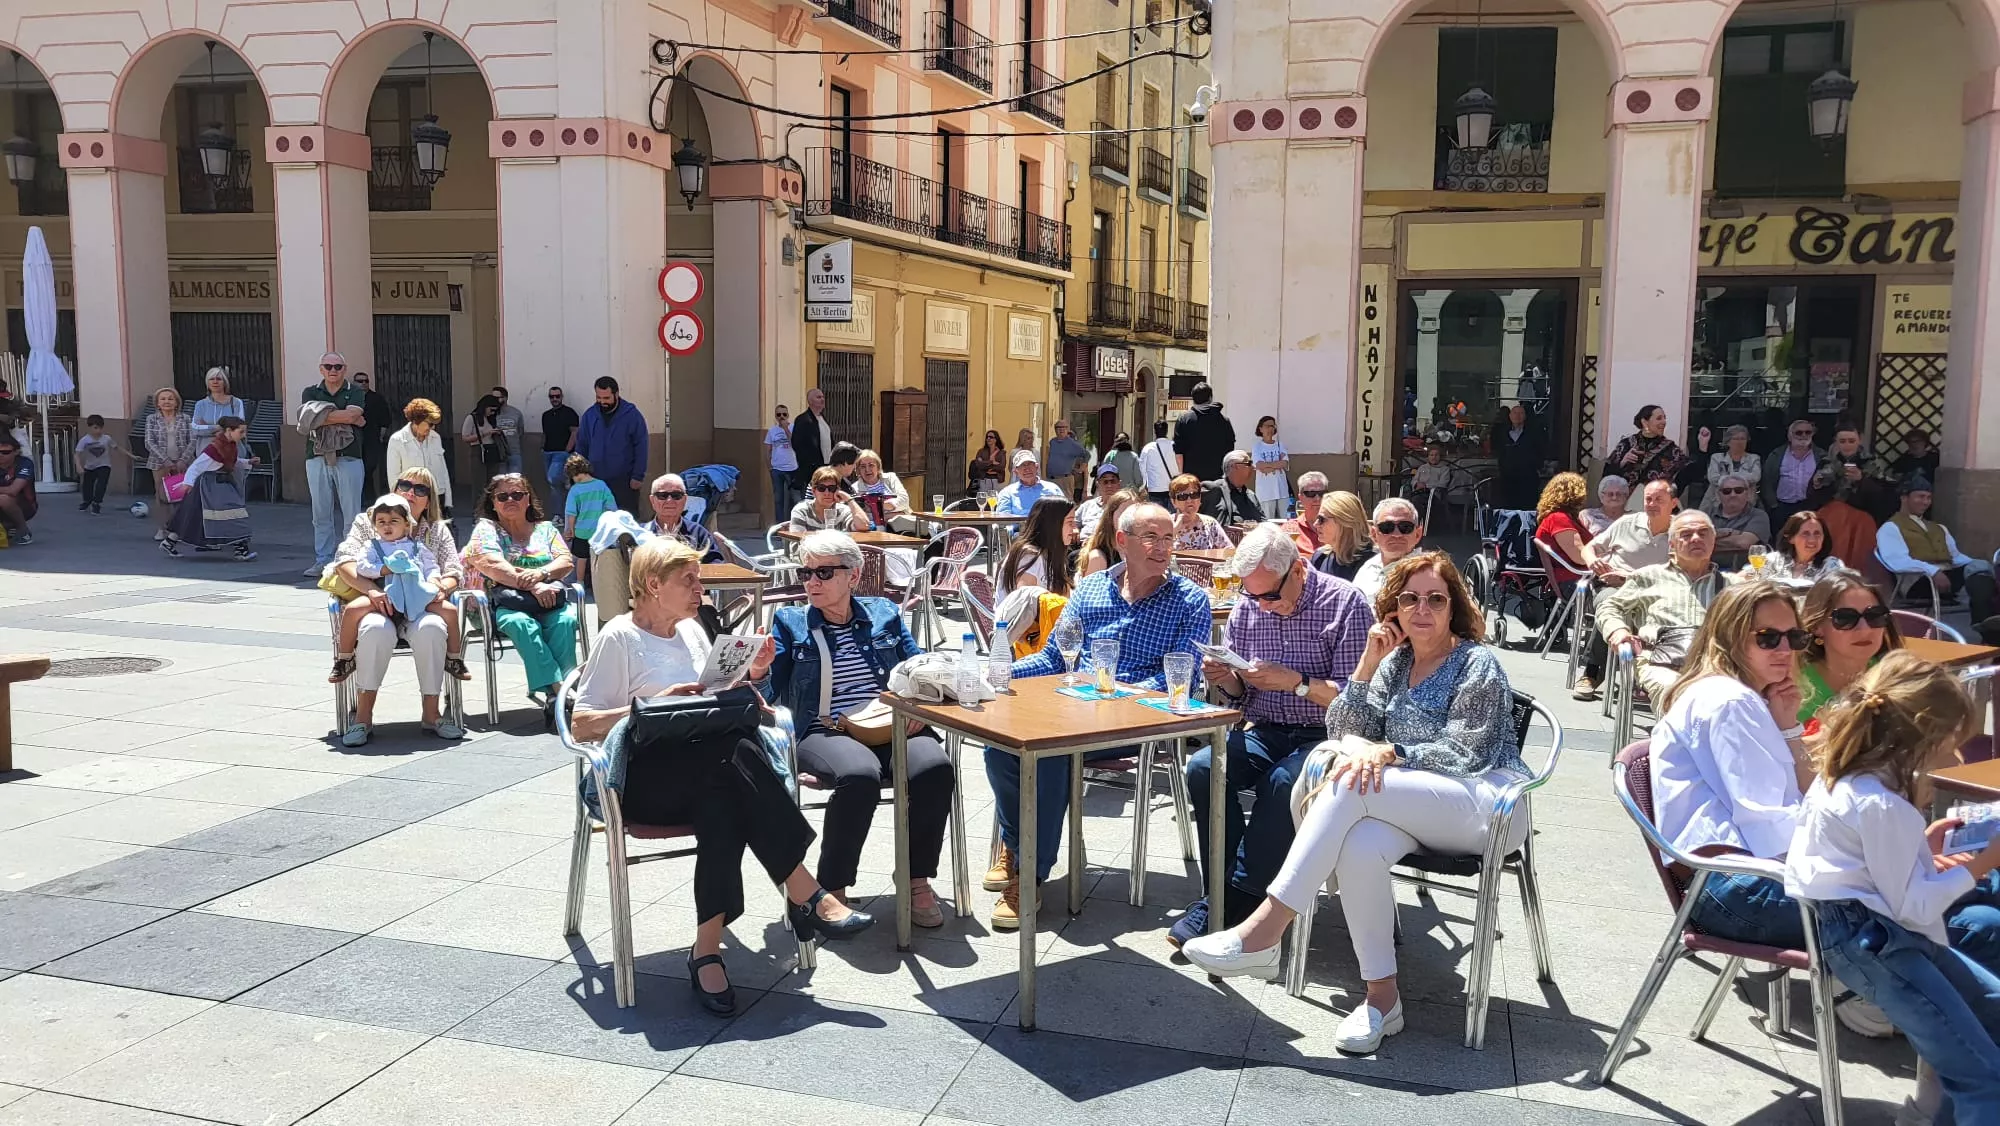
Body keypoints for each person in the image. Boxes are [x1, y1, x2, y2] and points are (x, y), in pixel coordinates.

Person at [1181, 551, 1523, 1053]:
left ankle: (1264, 931)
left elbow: (1467, 749)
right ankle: (1383, 1000)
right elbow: (1344, 729)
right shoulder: (1397, 662)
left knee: (1349, 780)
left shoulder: (1476, 662)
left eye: (1435, 599)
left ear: (1454, 607)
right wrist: (1367, 664)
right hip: (1409, 803)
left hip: (1486, 801)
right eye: (1410, 599)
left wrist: (1392, 750)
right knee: (1360, 844)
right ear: (1394, 609)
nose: (1422, 609)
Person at [1649, 580, 2000, 1043]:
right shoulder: (1730, 702)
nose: (1784, 650)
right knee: (1979, 922)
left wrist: (1789, 726)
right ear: (1728, 635)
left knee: (1975, 902)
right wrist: (1886, 853)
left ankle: (1944, 1057)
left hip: (1740, 882)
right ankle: (1930, 1040)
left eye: (1793, 638)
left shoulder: (1741, 697)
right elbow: (1772, 829)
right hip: (1741, 890)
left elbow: (1796, 802)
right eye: (1766, 637)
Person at [572, 538, 874, 1014]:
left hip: (705, 773)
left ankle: (708, 950)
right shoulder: (620, 636)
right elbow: (581, 723)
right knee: (731, 772)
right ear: (653, 584)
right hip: (641, 780)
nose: (700, 588)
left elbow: (713, 698)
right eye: (688, 580)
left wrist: (751, 675)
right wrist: (651, 705)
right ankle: (804, 893)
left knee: (725, 788)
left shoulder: (693, 630)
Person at [1785, 653, 2000, 1123]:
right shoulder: (1884, 805)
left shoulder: (1842, 781)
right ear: (1922, 738)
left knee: (1986, 1028)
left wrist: (1921, 848)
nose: (1956, 755)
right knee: (1983, 1079)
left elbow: (1868, 870)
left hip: (1864, 935)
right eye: (1951, 742)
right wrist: (1984, 863)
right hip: (1882, 946)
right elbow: (1913, 905)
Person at [989, 503, 1214, 929]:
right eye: (1151, 537)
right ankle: (1017, 843)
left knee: (1049, 751)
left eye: (1168, 538)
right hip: (1074, 707)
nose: (1162, 547)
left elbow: (1179, 678)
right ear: (1122, 541)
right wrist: (997, 674)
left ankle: (1028, 874)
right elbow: (1056, 658)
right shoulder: (1091, 589)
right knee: (999, 739)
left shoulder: (1190, 600)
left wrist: (1111, 694)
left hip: (1138, 717)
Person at [1172, 525, 1374, 945]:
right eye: (1252, 595)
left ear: (1299, 570)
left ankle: (1231, 899)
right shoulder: (1248, 608)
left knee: (1286, 782)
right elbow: (1241, 698)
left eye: (1269, 596)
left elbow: (1359, 700)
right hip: (1266, 727)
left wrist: (1298, 682)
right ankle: (1226, 894)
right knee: (1205, 767)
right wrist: (1226, 678)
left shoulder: (1345, 603)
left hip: (1329, 734)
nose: (1261, 607)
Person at [760, 530, 956, 927]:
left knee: (935, 768)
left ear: (854, 575)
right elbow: (767, 693)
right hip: (824, 728)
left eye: (824, 572)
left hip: (890, 720)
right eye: (806, 572)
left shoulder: (884, 612)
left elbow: (916, 667)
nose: (811, 582)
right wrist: (758, 668)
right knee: (859, 775)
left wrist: (918, 703)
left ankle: (916, 878)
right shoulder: (790, 622)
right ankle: (831, 889)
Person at [331, 471, 469, 746]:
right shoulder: (369, 522)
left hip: (421, 605)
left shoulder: (436, 530)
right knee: (373, 630)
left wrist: (438, 588)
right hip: (378, 603)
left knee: (432, 628)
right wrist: (372, 590)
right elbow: (345, 561)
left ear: (429, 500)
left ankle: (432, 714)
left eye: (420, 489)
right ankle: (363, 717)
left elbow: (454, 571)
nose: (411, 492)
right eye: (404, 485)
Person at [463, 473, 581, 705]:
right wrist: (535, 586)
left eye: (517, 494)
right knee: (521, 624)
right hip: (501, 604)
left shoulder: (545, 529)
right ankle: (560, 689)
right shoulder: (486, 529)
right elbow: (492, 565)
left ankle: (558, 693)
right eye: (502, 496)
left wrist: (541, 574)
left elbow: (565, 561)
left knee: (566, 620)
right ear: (493, 503)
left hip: (547, 601)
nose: (510, 500)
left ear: (528, 499)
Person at [1597, 509, 1725, 701]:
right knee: (1674, 691)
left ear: (1713, 541)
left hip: (1714, 663)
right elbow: (1610, 606)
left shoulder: (1730, 586)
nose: (1696, 538)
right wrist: (1617, 631)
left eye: (1703, 533)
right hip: (1660, 661)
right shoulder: (1649, 576)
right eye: (1686, 535)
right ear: (1671, 544)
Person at [591, 472, 725, 621]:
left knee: (707, 620)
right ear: (652, 501)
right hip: (650, 602)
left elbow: (717, 564)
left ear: (685, 500)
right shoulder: (638, 535)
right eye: (662, 496)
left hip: (690, 599)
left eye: (676, 495)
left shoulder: (698, 532)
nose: (669, 500)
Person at [1879, 476, 2000, 640]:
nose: (1925, 502)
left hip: (1947, 576)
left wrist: (1980, 565)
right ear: (1904, 498)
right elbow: (1898, 562)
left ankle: (1988, 626)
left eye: (1928, 498)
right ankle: (1986, 624)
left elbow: (1956, 558)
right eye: (1920, 496)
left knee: (1983, 568)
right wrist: (1933, 571)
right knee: (1980, 575)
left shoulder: (1938, 528)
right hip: (1918, 580)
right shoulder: (1890, 528)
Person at [1796, 569, 1900, 723]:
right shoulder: (1794, 688)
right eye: (1846, 618)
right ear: (1817, 626)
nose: (1864, 629)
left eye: (1874, 616)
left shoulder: (1894, 679)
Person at [301, 354, 367, 576]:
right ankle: (323, 560)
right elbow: (308, 418)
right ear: (321, 369)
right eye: (328, 366)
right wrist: (346, 416)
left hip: (349, 457)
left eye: (338, 366)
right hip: (317, 457)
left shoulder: (355, 390)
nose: (333, 370)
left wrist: (322, 415)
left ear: (344, 368)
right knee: (320, 513)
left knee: (352, 514)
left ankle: (350, 561)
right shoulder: (310, 392)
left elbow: (353, 415)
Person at [161, 414, 257, 560]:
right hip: (209, 486)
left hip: (222, 484)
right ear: (229, 431)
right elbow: (195, 467)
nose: (243, 435)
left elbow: (233, 461)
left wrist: (248, 462)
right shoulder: (214, 449)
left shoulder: (230, 446)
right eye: (241, 432)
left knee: (199, 516)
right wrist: (188, 483)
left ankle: (169, 542)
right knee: (231, 513)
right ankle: (240, 550)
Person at [576, 375, 648, 515]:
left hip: (624, 481)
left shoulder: (632, 415)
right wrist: (580, 474)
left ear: (616, 394)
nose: (602, 402)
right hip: (595, 479)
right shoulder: (589, 416)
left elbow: (641, 446)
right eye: (599, 398)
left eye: (606, 398)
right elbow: (581, 445)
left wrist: (638, 476)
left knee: (625, 523)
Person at [1588, 478, 1676, 579]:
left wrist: (1629, 578)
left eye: (1658, 499)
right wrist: (1593, 561)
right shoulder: (1626, 523)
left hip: (1655, 589)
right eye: (1648, 499)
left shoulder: (1683, 532)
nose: (1652, 504)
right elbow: (1589, 548)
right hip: (1614, 587)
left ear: (1673, 503)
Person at [145, 385, 197, 547]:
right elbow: (149, 442)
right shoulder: (151, 419)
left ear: (176, 402)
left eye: (170, 398)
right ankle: (163, 528)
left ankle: (182, 528)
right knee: (162, 496)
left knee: (184, 496)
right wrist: (166, 460)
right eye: (163, 399)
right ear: (157, 403)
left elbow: (193, 440)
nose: (167, 401)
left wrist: (183, 460)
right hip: (159, 463)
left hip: (184, 462)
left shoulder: (186, 418)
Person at [385, 398, 454, 518]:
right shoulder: (398, 440)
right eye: (430, 424)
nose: (432, 428)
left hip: (436, 497)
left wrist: (448, 501)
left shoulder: (435, 438)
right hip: (411, 498)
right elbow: (393, 476)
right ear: (417, 421)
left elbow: (443, 470)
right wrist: (396, 505)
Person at [999, 497, 1076, 600]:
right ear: (1053, 525)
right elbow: (1025, 603)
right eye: (1070, 522)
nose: (1075, 528)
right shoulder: (1029, 556)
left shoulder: (1052, 554)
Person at [561, 454, 617, 590]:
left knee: (581, 558)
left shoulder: (575, 490)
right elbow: (611, 506)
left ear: (573, 475)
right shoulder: (601, 485)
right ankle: (599, 583)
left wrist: (570, 530)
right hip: (599, 531)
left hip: (581, 531)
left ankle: (580, 583)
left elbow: (571, 513)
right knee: (599, 556)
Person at [1350, 497, 1423, 599]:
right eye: (1387, 527)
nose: (1396, 534)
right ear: (1374, 534)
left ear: (1418, 534)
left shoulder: (1427, 573)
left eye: (1405, 527)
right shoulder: (1368, 567)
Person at [1761, 418, 1825, 530]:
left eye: (1808, 432)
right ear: (1790, 436)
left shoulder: (1821, 455)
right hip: (1782, 507)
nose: (1803, 435)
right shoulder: (1776, 455)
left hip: (1811, 507)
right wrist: (1773, 506)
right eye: (1799, 432)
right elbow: (1767, 481)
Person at [1605, 404, 1688, 485]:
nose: (1664, 422)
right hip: (1626, 497)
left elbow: (1685, 473)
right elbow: (1607, 476)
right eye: (1659, 418)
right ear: (1644, 422)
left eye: (1664, 418)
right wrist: (1622, 462)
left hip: (1655, 497)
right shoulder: (1626, 444)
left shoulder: (1671, 449)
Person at [1174, 381, 1236, 481]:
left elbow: (1179, 451)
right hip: (1218, 478)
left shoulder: (1184, 419)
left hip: (1191, 478)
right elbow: (1230, 450)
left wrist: (1181, 475)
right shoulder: (1223, 420)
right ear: (1210, 397)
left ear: (1193, 399)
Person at [1309, 490, 1374, 582]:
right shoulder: (1320, 557)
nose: (1316, 524)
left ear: (1344, 521)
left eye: (1321, 519)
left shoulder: (1373, 562)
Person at [1076, 487, 1139, 580]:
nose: (1130, 520)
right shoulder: (1098, 558)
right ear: (1110, 516)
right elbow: (1092, 593)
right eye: (1125, 513)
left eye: (1136, 514)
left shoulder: (1137, 550)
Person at [1766, 510, 1845, 585]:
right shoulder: (1773, 560)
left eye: (1817, 533)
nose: (1812, 539)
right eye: (1805, 533)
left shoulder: (1832, 565)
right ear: (1791, 538)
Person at [1492, 402, 1544, 510]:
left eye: (1521, 413)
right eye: (1515, 413)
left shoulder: (1533, 433)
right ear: (1510, 416)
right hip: (1507, 477)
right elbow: (1496, 449)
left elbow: (1540, 450)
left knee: (1527, 507)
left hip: (1528, 478)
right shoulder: (1502, 432)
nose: (1517, 416)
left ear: (1525, 416)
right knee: (1507, 506)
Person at [1700, 425, 1761, 515]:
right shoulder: (1716, 457)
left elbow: (1755, 477)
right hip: (1715, 503)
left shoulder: (1754, 458)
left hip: (1746, 505)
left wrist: (1726, 479)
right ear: (1728, 442)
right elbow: (1713, 477)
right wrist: (1740, 480)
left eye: (1743, 439)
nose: (1740, 442)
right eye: (1736, 439)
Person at [72, 414, 127, 516]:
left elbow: (117, 447)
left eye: (100, 428)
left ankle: (96, 503)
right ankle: (87, 501)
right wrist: (78, 466)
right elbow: (77, 454)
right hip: (90, 466)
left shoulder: (106, 438)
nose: (98, 431)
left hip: (104, 465)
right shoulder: (85, 440)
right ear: (89, 428)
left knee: (101, 485)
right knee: (87, 486)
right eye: (95, 428)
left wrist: (131, 456)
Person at [1709, 473, 1772, 558]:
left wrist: (1713, 538)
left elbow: (1744, 543)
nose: (1733, 495)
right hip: (1710, 566)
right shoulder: (1706, 515)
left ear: (1748, 493)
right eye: (1727, 491)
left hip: (1747, 567)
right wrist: (1735, 534)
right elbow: (1697, 541)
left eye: (1738, 490)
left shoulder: (1759, 515)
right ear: (1719, 495)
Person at [790, 466, 870, 533]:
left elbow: (864, 526)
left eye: (832, 488)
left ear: (837, 490)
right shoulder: (802, 510)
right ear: (814, 491)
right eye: (821, 488)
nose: (827, 493)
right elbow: (797, 542)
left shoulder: (842, 510)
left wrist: (849, 499)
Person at [353, 372, 395, 495]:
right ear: (354, 383)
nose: (364, 383)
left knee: (369, 467)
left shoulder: (376, 398)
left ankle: (370, 496)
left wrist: (381, 436)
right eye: (360, 381)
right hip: (354, 439)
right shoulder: (351, 398)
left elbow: (385, 419)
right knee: (357, 469)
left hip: (372, 438)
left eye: (366, 381)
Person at [189, 366, 245, 457]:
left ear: (225, 382)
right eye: (211, 379)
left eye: (219, 379)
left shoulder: (236, 402)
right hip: (207, 453)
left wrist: (207, 427)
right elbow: (195, 429)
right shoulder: (200, 404)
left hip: (231, 454)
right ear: (208, 383)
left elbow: (239, 428)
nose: (215, 382)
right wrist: (220, 428)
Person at [1168, 473, 1232, 551]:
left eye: (1194, 495)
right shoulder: (1165, 523)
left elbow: (1229, 551)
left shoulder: (1210, 523)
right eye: (1182, 496)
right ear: (1173, 502)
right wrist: (1175, 529)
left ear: (1200, 498)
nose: (1189, 500)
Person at [541, 386, 580, 512]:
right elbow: (545, 434)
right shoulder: (546, 415)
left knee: (552, 479)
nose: (555, 399)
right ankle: (560, 514)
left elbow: (575, 433)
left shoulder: (569, 413)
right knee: (554, 485)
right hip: (548, 453)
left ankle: (561, 514)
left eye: (557, 396)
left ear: (562, 397)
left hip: (562, 453)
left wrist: (567, 450)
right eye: (552, 397)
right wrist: (542, 448)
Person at [850, 448, 909, 528]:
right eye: (863, 466)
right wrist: (892, 514)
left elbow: (905, 501)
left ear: (878, 467)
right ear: (858, 470)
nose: (867, 470)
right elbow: (865, 516)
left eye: (871, 465)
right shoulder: (855, 488)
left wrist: (875, 506)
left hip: (902, 526)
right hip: (876, 529)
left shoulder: (890, 478)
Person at [791, 387, 834, 495]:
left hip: (826, 466)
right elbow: (797, 445)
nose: (822, 399)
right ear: (810, 401)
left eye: (823, 397)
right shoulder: (803, 420)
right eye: (818, 397)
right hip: (811, 471)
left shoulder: (822, 418)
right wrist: (811, 464)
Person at [1203, 450, 1263, 526]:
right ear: (1234, 466)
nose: (1253, 467)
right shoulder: (1214, 490)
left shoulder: (1251, 496)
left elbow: (1263, 522)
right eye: (1249, 463)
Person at [995, 449, 1064, 516]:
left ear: (1036, 467)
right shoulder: (1007, 493)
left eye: (1030, 464)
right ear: (1016, 472)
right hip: (1019, 527)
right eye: (1022, 465)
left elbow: (1064, 513)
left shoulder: (1053, 489)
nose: (1027, 469)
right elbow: (1002, 520)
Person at [462, 395, 509, 483]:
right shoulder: (471, 418)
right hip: (478, 449)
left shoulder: (491, 419)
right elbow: (465, 438)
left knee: (492, 481)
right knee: (479, 481)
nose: (492, 413)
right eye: (491, 410)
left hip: (493, 449)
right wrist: (485, 433)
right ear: (485, 407)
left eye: (495, 411)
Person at [1251, 415, 1290, 518]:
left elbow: (1285, 463)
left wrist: (1268, 467)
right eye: (1267, 426)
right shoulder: (1257, 447)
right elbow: (1259, 465)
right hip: (1265, 492)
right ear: (1260, 429)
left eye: (1272, 426)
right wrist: (1277, 464)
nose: (1270, 428)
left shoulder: (1279, 445)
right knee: (1267, 521)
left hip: (1281, 490)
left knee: (1286, 520)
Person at [764, 403, 798, 519]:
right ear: (775, 416)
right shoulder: (771, 431)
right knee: (778, 499)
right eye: (779, 414)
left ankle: (792, 523)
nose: (781, 417)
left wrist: (786, 429)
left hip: (792, 468)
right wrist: (770, 467)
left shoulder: (794, 427)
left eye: (784, 414)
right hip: (777, 469)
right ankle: (779, 525)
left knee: (793, 498)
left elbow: (794, 444)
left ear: (788, 415)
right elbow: (767, 450)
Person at [0, 431, 35, 544]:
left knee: (4, 498)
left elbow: (13, 490)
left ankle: (23, 530)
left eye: (5, 452)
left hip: (25, 506)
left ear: (16, 452)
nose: (0, 455)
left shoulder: (24, 463)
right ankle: (7, 527)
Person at [1283, 471, 1330, 553]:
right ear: (1300, 497)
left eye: (1321, 493)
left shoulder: (1337, 525)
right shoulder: (1290, 528)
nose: (1317, 499)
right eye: (1311, 493)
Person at [1074, 464, 1122, 542]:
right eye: (1105, 482)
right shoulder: (1088, 505)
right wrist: (1074, 529)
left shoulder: (1124, 507)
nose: (1109, 485)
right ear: (1097, 484)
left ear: (1119, 484)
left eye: (1113, 481)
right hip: (1083, 547)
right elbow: (1072, 522)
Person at [1045, 419, 1090, 501]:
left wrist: (1081, 469)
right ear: (1055, 429)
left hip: (1065, 480)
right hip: (1050, 479)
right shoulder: (1052, 442)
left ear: (1067, 429)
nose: (1061, 429)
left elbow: (1086, 455)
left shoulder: (1072, 443)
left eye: (1064, 427)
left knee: (1066, 504)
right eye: (1059, 427)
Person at [1139, 418, 1179, 505]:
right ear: (1167, 430)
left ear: (1155, 431)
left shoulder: (1148, 448)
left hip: (1155, 489)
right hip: (1172, 487)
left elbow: (1142, 468)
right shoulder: (1174, 446)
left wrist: (1144, 484)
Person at [1409, 445, 1453, 522]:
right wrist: (1417, 484)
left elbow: (1442, 484)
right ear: (1428, 456)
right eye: (1431, 455)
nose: (1434, 457)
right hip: (1418, 492)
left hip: (1433, 495)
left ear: (1440, 456)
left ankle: (1417, 524)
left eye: (1436, 455)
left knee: (1416, 501)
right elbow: (1414, 480)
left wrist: (1425, 486)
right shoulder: (1422, 467)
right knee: (1403, 500)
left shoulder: (1444, 469)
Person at [968, 429, 1008, 497]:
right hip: (984, 480)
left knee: (996, 501)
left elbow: (1001, 467)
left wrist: (985, 464)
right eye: (987, 437)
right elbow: (978, 465)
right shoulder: (981, 451)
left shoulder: (1001, 453)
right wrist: (991, 461)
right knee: (984, 500)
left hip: (997, 481)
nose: (988, 438)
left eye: (991, 437)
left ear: (996, 439)